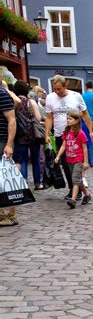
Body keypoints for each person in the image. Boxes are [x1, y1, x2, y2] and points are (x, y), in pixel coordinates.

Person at [44, 75, 93, 200]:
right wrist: (46, 133)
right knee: (66, 165)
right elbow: (49, 117)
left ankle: (77, 191)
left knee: (76, 165)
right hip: (61, 135)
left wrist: (91, 131)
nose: (57, 92)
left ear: (65, 85)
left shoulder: (76, 96)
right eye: (55, 89)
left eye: (59, 89)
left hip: (77, 135)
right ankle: (73, 189)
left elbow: (85, 114)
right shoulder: (50, 98)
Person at [54, 110, 92, 208]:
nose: (68, 120)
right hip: (69, 160)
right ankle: (87, 194)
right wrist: (58, 156)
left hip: (78, 160)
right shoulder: (67, 132)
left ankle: (73, 199)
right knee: (77, 180)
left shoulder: (80, 133)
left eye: (70, 119)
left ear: (76, 121)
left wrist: (86, 162)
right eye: (67, 118)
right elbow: (63, 145)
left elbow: (85, 148)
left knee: (75, 180)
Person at [12, 80, 44, 190]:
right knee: (35, 159)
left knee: (22, 159)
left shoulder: (14, 102)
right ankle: (37, 183)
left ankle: (24, 182)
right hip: (32, 134)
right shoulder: (31, 102)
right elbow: (38, 118)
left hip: (19, 134)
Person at [0, 79, 18, 226]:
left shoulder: (2, 94)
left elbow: (12, 120)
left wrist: (9, 144)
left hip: (1, 141)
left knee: (8, 178)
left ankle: (12, 215)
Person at [82, 81, 93, 167]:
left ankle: (90, 160)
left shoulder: (82, 96)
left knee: (87, 140)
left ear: (86, 86)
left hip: (85, 119)